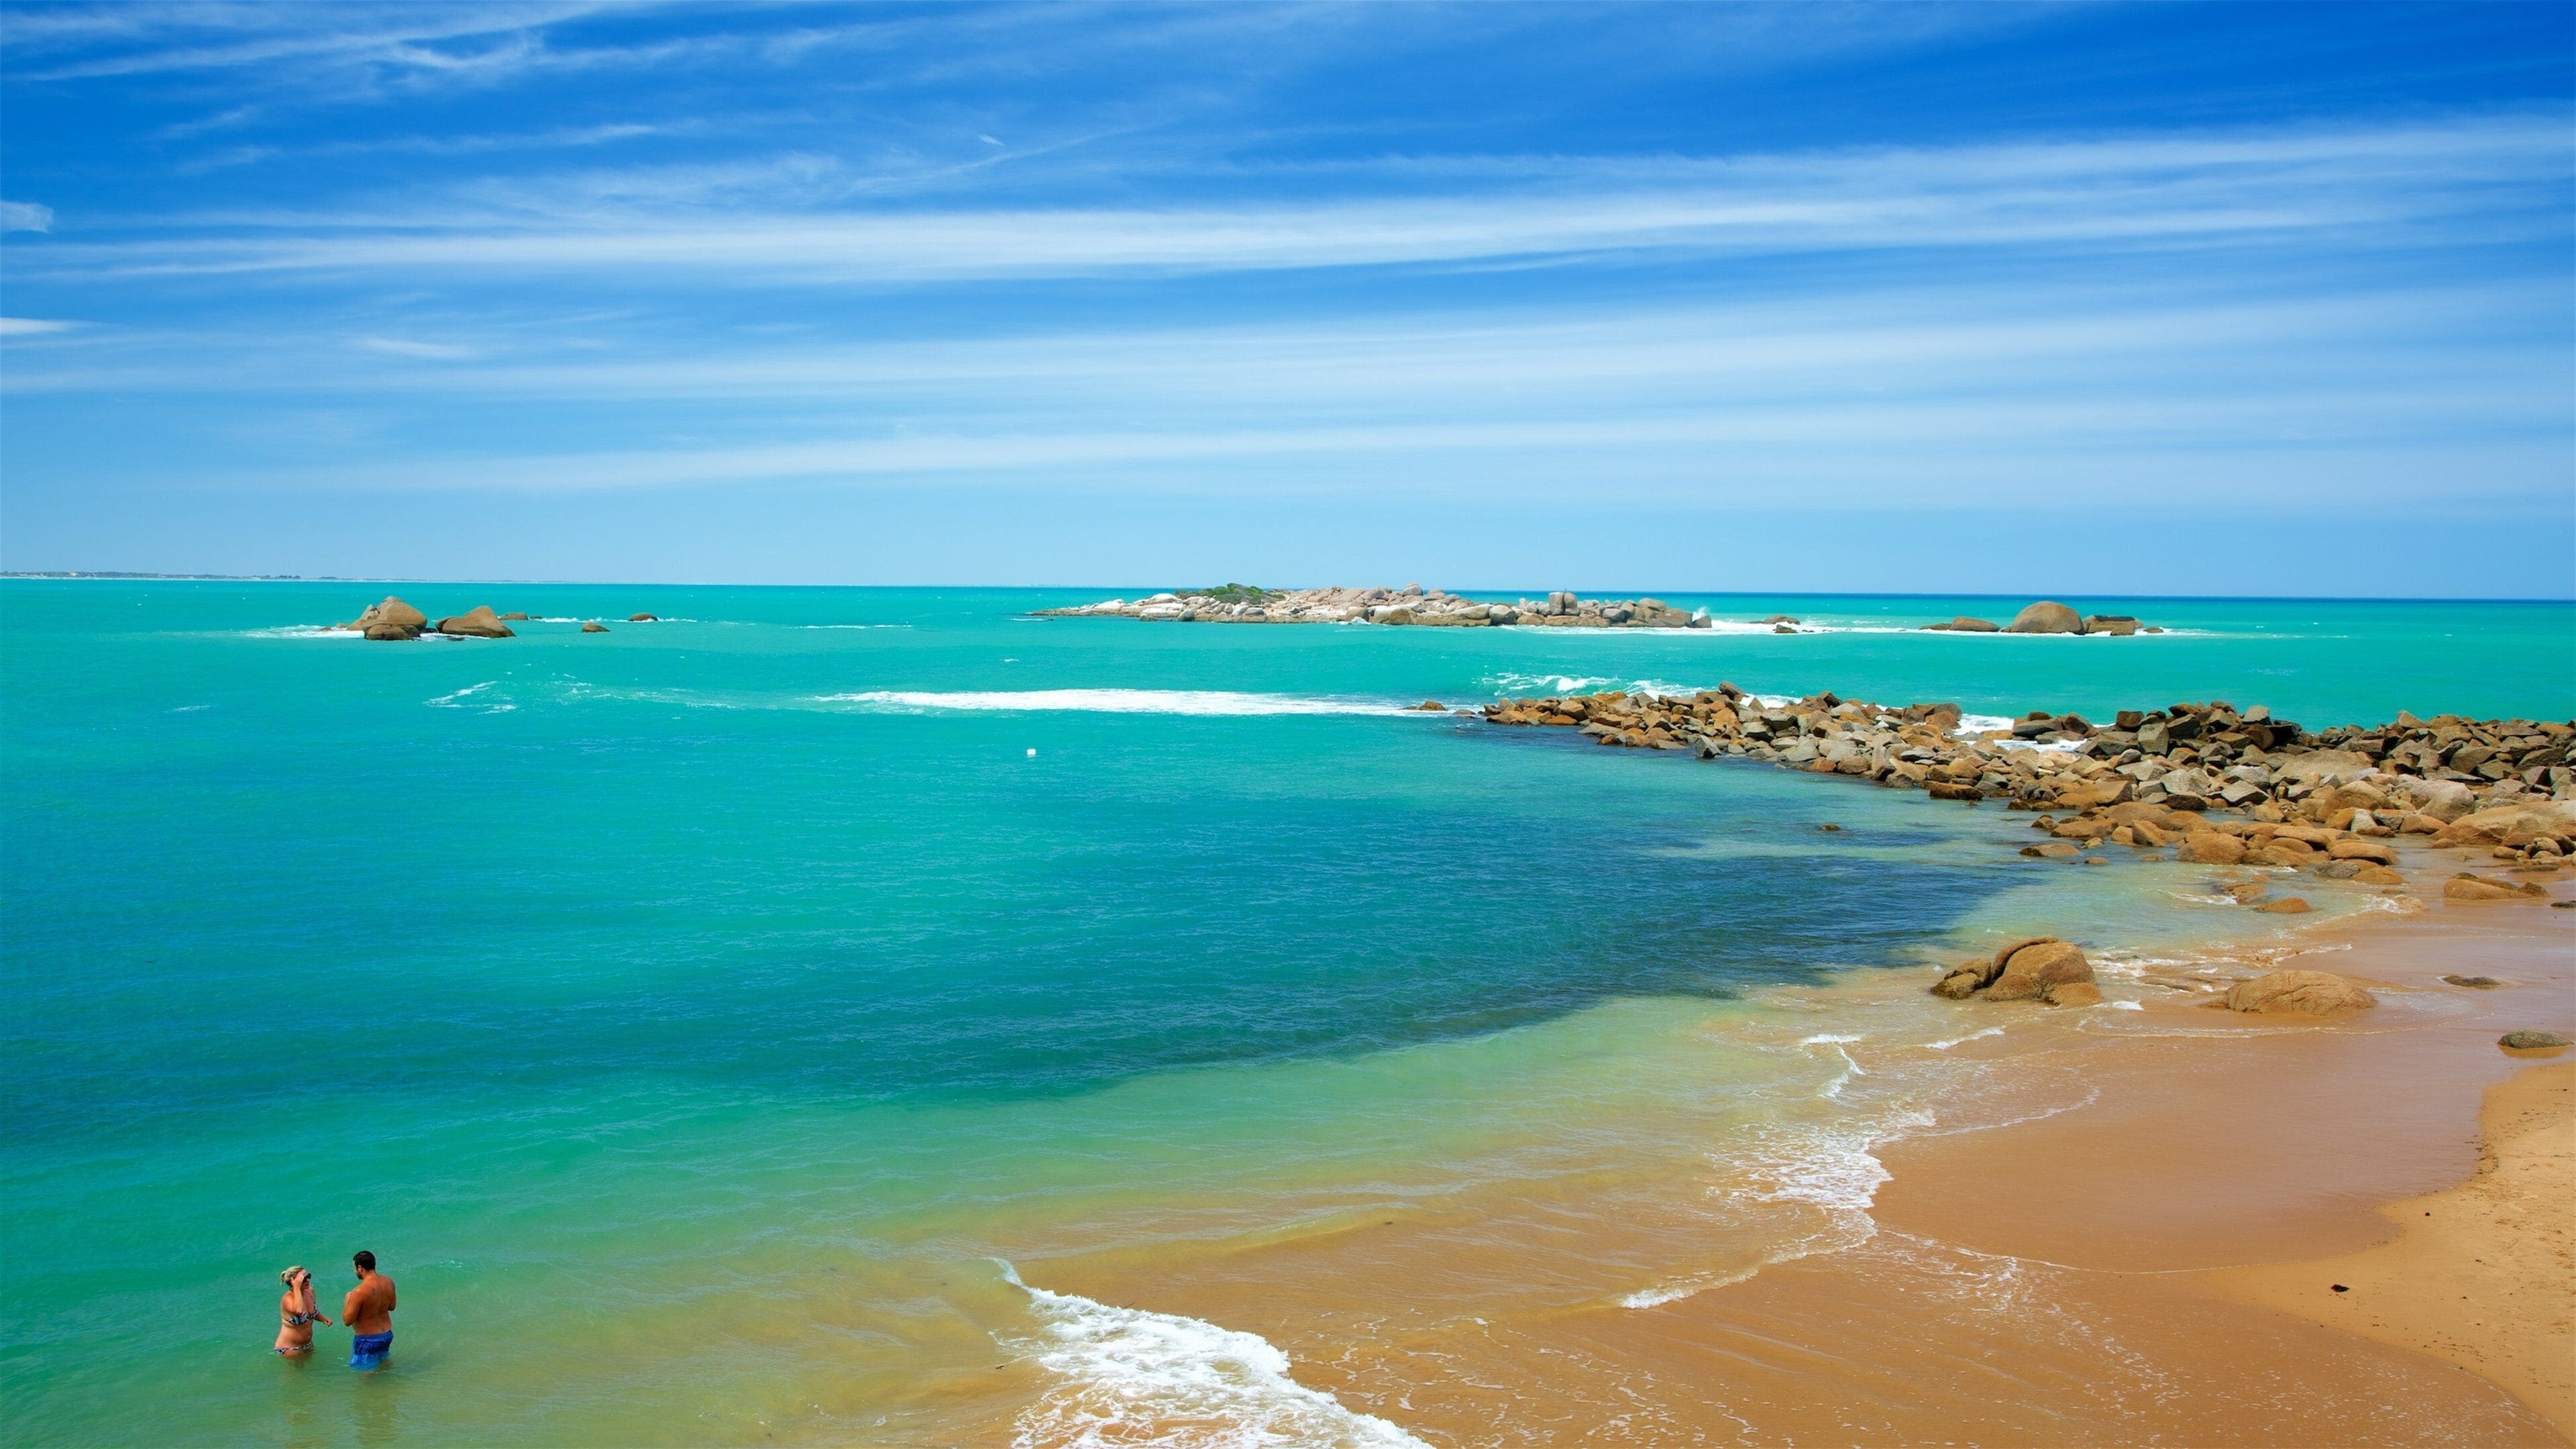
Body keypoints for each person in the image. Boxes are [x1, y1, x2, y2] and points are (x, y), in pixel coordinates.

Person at [342, 1251, 397, 1370]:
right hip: (386, 1335)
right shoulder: (389, 1282)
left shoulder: (359, 1292)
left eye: (355, 1268)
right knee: (383, 1366)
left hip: (367, 1340)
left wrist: (348, 1299)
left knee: (365, 1375)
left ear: (360, 1268)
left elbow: (347, 1321)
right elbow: (392, 1307)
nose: (355, 1271)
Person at [273, 1267, 335, 1356]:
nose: (308, 1280)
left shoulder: (310, 1291)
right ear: (293, 1281)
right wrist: (296, 1288)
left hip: (308, 1345)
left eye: (308, 1276)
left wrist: (323, 1320)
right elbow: (299, 1310)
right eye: (304, 1278)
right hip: (290, 1349)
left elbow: (313, 1312)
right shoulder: (287, 1299)